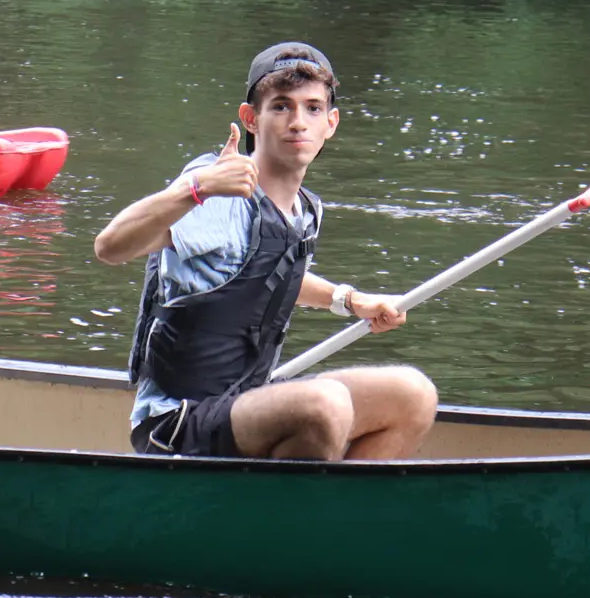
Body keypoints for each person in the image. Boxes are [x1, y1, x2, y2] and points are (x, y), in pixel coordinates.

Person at [94, 42, 437, 460]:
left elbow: (264, 275)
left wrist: (348, 299)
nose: (298, 122)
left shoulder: (305, 210)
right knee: (325, 405)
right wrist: (197, 189)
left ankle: (335, 502)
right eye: (281, 107)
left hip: (247, 402)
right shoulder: (220, 192)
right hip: (179, 424)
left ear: (330, 122)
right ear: (251, 119)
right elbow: (110, 247)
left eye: (312, 108)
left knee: (413, 395)